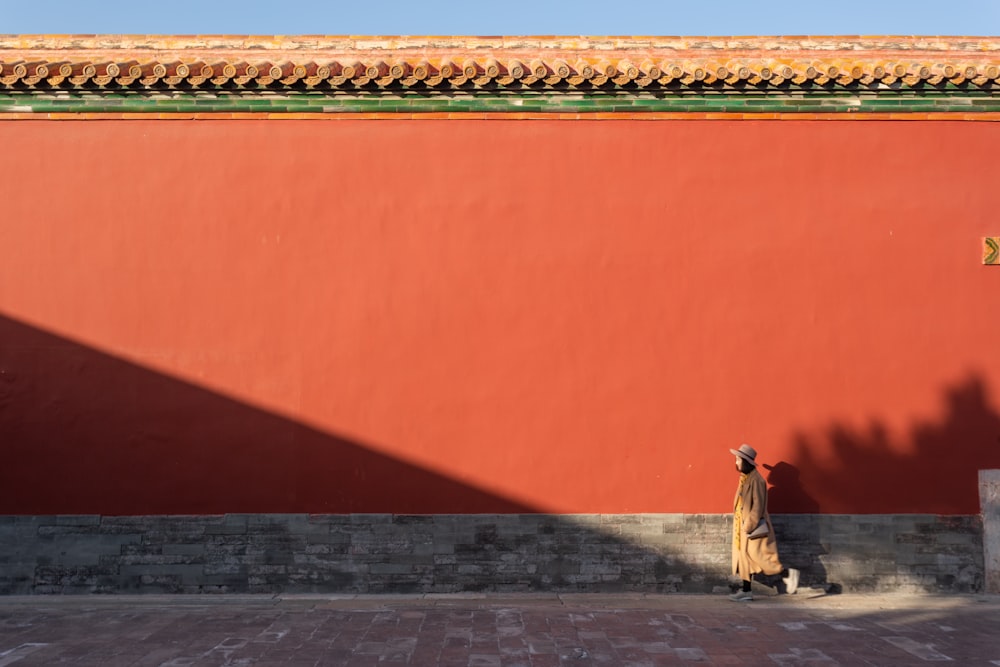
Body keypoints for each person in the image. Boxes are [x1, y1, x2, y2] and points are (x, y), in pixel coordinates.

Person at [729, 443, 799, 601]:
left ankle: (787, 573)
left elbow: (758, 506)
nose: (736, 463)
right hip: (743, 527)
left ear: (746, 461)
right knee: (745, 558)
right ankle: (746, 591)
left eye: (738, 460)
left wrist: (748, 525)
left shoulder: (757, 481)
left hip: (751, 527)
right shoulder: (745, 479)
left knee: (760, 557)